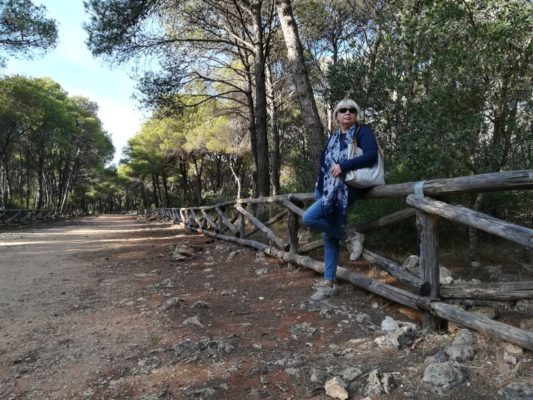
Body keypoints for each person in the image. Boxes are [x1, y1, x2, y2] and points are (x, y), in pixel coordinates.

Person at [302, 98, 379, 301]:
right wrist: (319, 183)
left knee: (308, 218)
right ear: (336, 115)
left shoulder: (363, 132)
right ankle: (329, 283)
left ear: (356, 114)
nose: (347, 113)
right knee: (328, 237)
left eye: (352, 110)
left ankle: (350, 237)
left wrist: (344, 166)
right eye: (343, 110)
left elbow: (371, 156)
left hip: (347, 187)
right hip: (325, 189)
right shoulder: (334, 136)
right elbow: (324, 161)